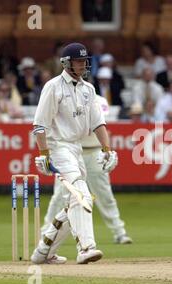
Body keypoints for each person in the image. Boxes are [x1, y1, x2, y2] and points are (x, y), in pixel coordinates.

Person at [31, 42, 118, 265]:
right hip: (57, 146)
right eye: (78, 61)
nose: (82, 65)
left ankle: (43, 251)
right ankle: (86, 248)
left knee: (74, 202)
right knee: (82, 194)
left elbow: (99, 123)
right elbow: (40, 125)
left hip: (76, 148)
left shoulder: (88, 89)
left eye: (84, 61)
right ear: (66, 63)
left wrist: (107, 149)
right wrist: (44, 153)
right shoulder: (53, 86)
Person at [41, 95, 133, 245]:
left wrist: (106, 151)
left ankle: (119, 232)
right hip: (71, 152)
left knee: (105, 195)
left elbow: (99, 125)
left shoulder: (100, 101)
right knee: (59, 196)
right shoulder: (68, 102)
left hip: (95, 152)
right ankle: (45, 233)